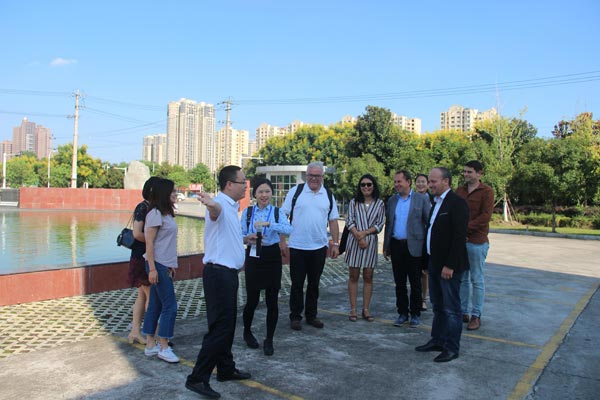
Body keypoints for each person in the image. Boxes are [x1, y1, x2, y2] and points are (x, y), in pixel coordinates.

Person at [186, 166, 251, 399]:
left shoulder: (232, 207)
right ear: (229, 184)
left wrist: (245, 239)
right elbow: (215, 211)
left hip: (227, 275)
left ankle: (225, 368)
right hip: (219, 275)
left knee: (227, 325)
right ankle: (197, 378)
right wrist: (210, 203)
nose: (246, 186)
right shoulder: (221, 204)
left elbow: (225, 234)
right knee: (220, 328)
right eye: (243, 182)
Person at [415, 167, 469, 363]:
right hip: (434, 263)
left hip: (448, 267)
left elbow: (459, 237)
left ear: (446, 181)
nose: (430, 185)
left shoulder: (457, 203)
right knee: (437, 305)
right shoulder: (435, 202)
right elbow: (430, 231)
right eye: (429, 181)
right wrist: (426, 261)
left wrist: (450, 265)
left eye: (433, 181)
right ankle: (438, 340)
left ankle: (452, 347)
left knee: (452, 308)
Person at [281, 161, 340, 331]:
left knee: (314, 284)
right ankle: (295, 316)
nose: (314, 178)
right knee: (297, 284)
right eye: (311, 175)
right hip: (298, 247)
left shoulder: (328, 194)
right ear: (306, 176)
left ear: (322, 177)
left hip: (319, 247)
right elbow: (283, 216)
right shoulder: (296, 192)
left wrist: (335, 244)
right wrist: (282, 241)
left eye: (317, 176)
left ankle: (311, 315)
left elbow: (333, 221)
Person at [240, 178, 292, 356]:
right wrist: (248, 238)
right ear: (254, 194)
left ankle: (269, 339)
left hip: (272, 256)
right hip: (254, 254)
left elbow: (288, 229)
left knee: (272, 299)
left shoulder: (277, 212)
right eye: (260, 192)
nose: (264, 195)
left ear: (272, 193)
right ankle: (247, 332)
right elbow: (239, 234)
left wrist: (270, 224)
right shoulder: (247, 212)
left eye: (267, 191)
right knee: (252, 299)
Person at [383, 170, 431, 327]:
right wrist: (386, 246)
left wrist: (427, 247)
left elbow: (428, 222)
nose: (396, 184)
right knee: (399, 282)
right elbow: (389, 224)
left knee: (415, 282)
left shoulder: (420, 199)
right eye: (395, 182)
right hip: (396, 245)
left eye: (399, 181)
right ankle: (402, 313)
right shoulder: (392, 200)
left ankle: (415, 313)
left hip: (414, 246)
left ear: (408, 182)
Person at [142, 178, 180, 364]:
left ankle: (150, 344)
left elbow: (165, 243)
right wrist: (152, 269)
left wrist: (171, 264)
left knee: (156, 305)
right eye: (172, 191)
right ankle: (164, 346)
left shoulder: (165, 213)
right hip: (157, 265)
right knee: (170, 306)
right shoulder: (155, 214)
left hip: (164, 264)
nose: (176, 194)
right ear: (164, 193)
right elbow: (149, 243)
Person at [456, 160, 494, 331]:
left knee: (476, 279)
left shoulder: (487, 192)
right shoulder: (460, 191)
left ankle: (476, 315)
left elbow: (485, 216)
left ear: (479, 173)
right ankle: (462, 312)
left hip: (477, 241)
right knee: (462, 278)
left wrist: (465, 228)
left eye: (469, 172)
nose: (466, 174)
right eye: (465, 171)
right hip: (460, 241)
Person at [344, 174, 385, 322]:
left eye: (369, 184)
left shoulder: (379, 203)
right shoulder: (354, 202)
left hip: (370, 242)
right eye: (363, 185)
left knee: (368, 276)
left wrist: (365, 233)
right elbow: (349, 221)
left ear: (373, 186)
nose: (366, 187)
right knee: (353, 276)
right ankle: (353, 309)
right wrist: (359, 236)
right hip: (354, 241)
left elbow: (380, 224)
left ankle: (366, 309)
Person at [127, 176, 160, 344]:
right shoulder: (143, 207)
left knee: (142, 296)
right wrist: (153, 242)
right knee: (151, 298)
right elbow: (137, 233)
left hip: (144, 256)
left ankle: (135, 332)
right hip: (142, 257)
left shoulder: (152, 208)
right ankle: (153, 335)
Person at [414, 173, 432, 312]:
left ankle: (423, 299)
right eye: (418, 182)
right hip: (414, 240)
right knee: (414, 272)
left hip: (427, 240)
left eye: (423, 181)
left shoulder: (433, 199)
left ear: (428, 184)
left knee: (424, 272)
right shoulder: (411, 199)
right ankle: (415, 297)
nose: (420, 184)